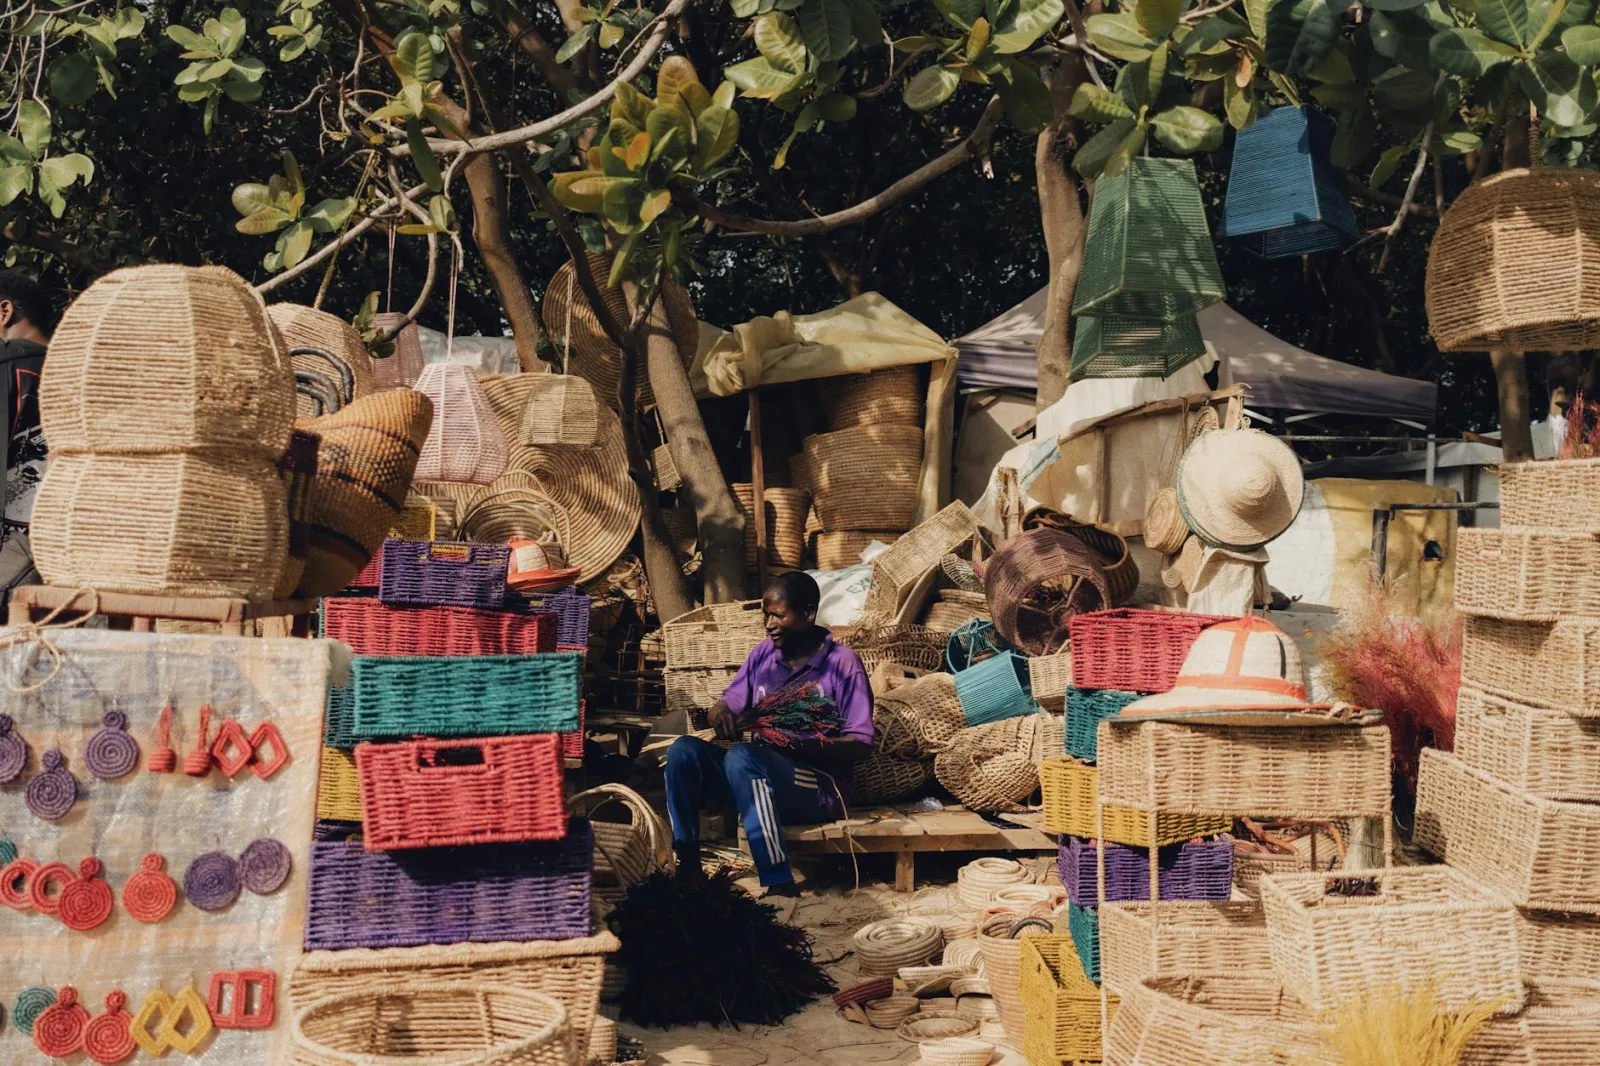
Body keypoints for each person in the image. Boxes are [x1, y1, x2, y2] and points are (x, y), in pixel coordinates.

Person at [665, 571, 873, 897]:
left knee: (742, 757)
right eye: (765, 614)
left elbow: (861, 743)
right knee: (682, 751)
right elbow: (722, 706)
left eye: (778, 614)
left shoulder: (842, 664)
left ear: (808, 613)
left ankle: (778, 880)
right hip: (755, 779)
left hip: (815, 787)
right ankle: (688, 866)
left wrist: (801, 743)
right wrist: (722, 717)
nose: (769, 623)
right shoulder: (764, 655)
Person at [0, 271, 52, 603]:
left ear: (3, 312)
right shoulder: (84, 369)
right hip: (72, 558)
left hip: (12, 561)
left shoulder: (7, 363)